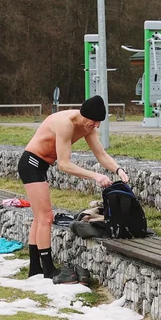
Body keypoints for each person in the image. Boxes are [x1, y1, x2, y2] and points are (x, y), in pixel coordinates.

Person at [18, 95, 128, 281]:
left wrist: (118, 169)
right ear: (86, 117)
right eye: (95, 122)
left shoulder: (86, 127)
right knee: (45, 217)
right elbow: (64, 164)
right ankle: (48, 270)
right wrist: (95, 176)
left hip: (40, 165)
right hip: (31, 164)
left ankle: (35, 269)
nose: (97, 126)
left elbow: (101, 154)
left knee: (40, 218)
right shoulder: (65, 124)